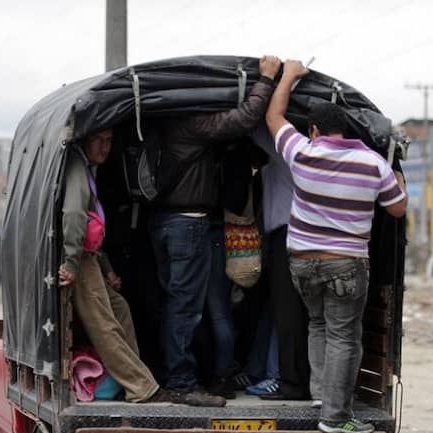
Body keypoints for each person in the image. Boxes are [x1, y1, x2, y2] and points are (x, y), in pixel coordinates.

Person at [266, 60, 407, 433]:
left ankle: (319, 394)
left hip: (302, 262)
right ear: (344, 131)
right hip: (345, 264)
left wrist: (289, 76)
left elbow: (274, 116)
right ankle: (334, 415)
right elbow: (397, 208)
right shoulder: (372, 163)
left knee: (317, 324)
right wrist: (398, 178)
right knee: (344, 335)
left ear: (313, 129)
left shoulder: (302, 153)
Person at [149, 54, 282, 407]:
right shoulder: (191, 123)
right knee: (187, 309)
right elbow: (243, 120)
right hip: (189, 224)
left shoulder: (156, 124)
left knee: (174, 303)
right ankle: (181, 382)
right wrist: (266, 80)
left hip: (163, 223)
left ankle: (176, 374)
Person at [59, 129, 177, 405]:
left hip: (90, 258)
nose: (104, 147)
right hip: (80, 260)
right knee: (105, 325)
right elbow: (75, 216)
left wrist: (107, 268)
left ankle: (137, 380)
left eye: (109, 140)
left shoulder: (88, 168)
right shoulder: (77, 166)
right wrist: (72, 263)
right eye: (98, 139)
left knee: (120, 309)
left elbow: (92, 226)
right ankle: (141, 388)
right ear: (85, 139)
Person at [249, 125, 312, 402]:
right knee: (291, 313)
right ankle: (292, 378)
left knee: (288, 314)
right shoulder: (311, 156)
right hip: (303, 237)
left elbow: (254, 127)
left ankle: (291, 383)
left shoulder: (287, 151)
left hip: (286, 236)